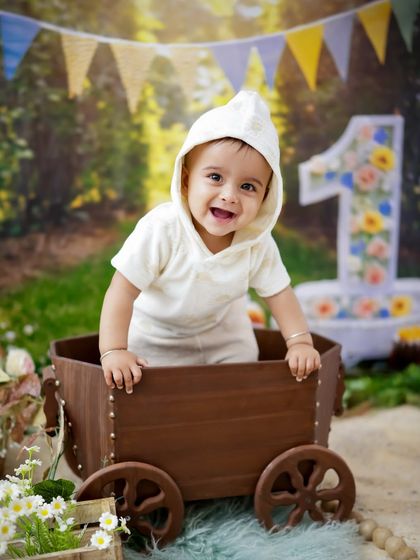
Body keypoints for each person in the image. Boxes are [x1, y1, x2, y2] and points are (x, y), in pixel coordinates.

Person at [99, 91, 321, 394]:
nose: (229, 195)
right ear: (187, 181)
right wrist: (114, 350)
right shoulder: (163, 229)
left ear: (265, 197)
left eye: (247, 186)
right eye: (215, 177)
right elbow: (122, 291)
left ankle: (228, 427)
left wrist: (299, 342)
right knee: (152, 391)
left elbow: (279, 293)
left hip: (223, 332)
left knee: (241, 378)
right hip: (158, 335)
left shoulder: (255, 242)